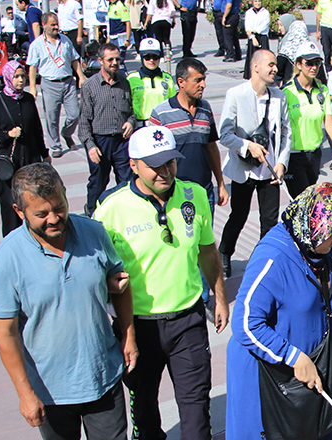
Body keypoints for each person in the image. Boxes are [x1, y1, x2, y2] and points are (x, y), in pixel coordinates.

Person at [93, 126, 230, 440]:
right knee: (144, 414)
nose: (165, 171)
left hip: (189, 322)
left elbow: (208, 252)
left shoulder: (194, 195)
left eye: (170, 162)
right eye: (154, 164)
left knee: (197, 416)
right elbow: (100, 271)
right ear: (134, 164)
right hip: (139, 328)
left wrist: (219, 297)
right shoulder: (111, 208)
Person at [0, 163, 138, 439]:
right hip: (50, 392)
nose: (54, 218)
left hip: (103, 378)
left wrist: (129, 336)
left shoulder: (94, 233)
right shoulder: (7, 259)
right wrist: (25, 394)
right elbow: (5, 332)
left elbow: (121, 282)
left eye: (59, 207)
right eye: (41, 214)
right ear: (20, 212)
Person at [225, 182, 332, 439]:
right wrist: (294, 357)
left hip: (313, 369)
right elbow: (245, 323)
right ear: (313, 226)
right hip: (273, 379)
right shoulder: (273, 257)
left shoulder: (317, 247)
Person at [218, 49, 292, 278]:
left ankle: (263, 262)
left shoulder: (279, 96)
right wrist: (247, 146)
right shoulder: (236, 94)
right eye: (270, 64)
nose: (275, 69)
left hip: (270, 170)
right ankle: (224, 253)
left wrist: (281, 163)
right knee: (238, 216)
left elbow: (287, 133)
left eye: (276, 65)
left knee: (269, 220)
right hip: (244, 169)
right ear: (255, 67)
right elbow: (225, 134)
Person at [149, 58, 229, 216]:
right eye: (198, 80)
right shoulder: (161, 113)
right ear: (181, 82)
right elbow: (152, 157)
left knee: (205, 239)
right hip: (174, 193)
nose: (203, 85)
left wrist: (220, 183)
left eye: (204, 79)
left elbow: (211, 147)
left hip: (204, 190)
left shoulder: (205, 108)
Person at [0, 61, 50, 237]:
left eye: (23, 76)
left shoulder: (28, 99)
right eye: (16, 76)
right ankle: (12, 249)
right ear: (8, 78)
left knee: (34, 204)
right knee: (11, 211)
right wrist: (6, 135)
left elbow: (36, 129)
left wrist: (44, 154)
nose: (20, 80)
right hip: (9, 165)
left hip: (30, 160)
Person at [282, 41, 332, 198]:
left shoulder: (322, 91)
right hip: (294, 156)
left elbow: (329, 122)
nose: (314, 67)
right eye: (309, 63)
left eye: (317, 63)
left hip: (314, 156)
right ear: (298, 64)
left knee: (310, 203)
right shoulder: (287, 92)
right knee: (303, 202)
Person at [79, 43, 137, 216]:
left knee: (127, 180)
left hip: (121, 141)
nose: (114, 63)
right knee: (98, 181)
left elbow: (132, 112)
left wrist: (130, 122)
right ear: (100, 61)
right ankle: (92, 214)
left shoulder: (124, 84)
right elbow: (84, 121)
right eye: (110, 59)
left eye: (117, 59)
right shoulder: (89, 86)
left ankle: (127, 213)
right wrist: (90, 146)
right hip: (100, 141)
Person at [27, 12, 85, 158]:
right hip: (49, 84)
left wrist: (81, 76)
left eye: (57, 24)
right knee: (52, 118)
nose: (56, 27)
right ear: (44, 25)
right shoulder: (37, 45)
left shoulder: (65, 40)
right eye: (52, 24)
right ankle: (55, 146)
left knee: (75, 114)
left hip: (68, 82)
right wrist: (33, 87)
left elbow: (74, 60)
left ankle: (66, 133)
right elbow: (32, 67)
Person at [127, 38, 176, 126]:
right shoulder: (132, 78)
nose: (151, 60)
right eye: (147, 57)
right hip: (140, 124)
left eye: (155, 57)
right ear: (142, 57)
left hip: (163, 123)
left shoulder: (167, 78)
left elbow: (173, 103)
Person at [274, 13, 309, 86]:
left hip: (289, 87)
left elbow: (278, 68)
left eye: (281, 25)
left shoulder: (287, 47)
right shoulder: (311, 50)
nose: (279, 28)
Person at [242, 0, 269, 79]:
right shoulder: (249, 12)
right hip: (252, 37)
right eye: (255, 1)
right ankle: (251, 76)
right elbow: (247, 26)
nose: (257, 3)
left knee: (264, 57)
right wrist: (252, 37)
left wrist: (255, 30)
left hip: (262, 36)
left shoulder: (265, 13)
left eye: (259, 1)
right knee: (252, 57)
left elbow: (265, 24)